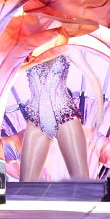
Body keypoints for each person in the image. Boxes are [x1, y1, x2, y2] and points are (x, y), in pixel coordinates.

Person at [20, 53, 90, 181]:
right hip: (36, 120)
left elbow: (92, 76)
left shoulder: (67, 46)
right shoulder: (27, 49)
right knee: (24, 186)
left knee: (82, 182)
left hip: (65, 116)